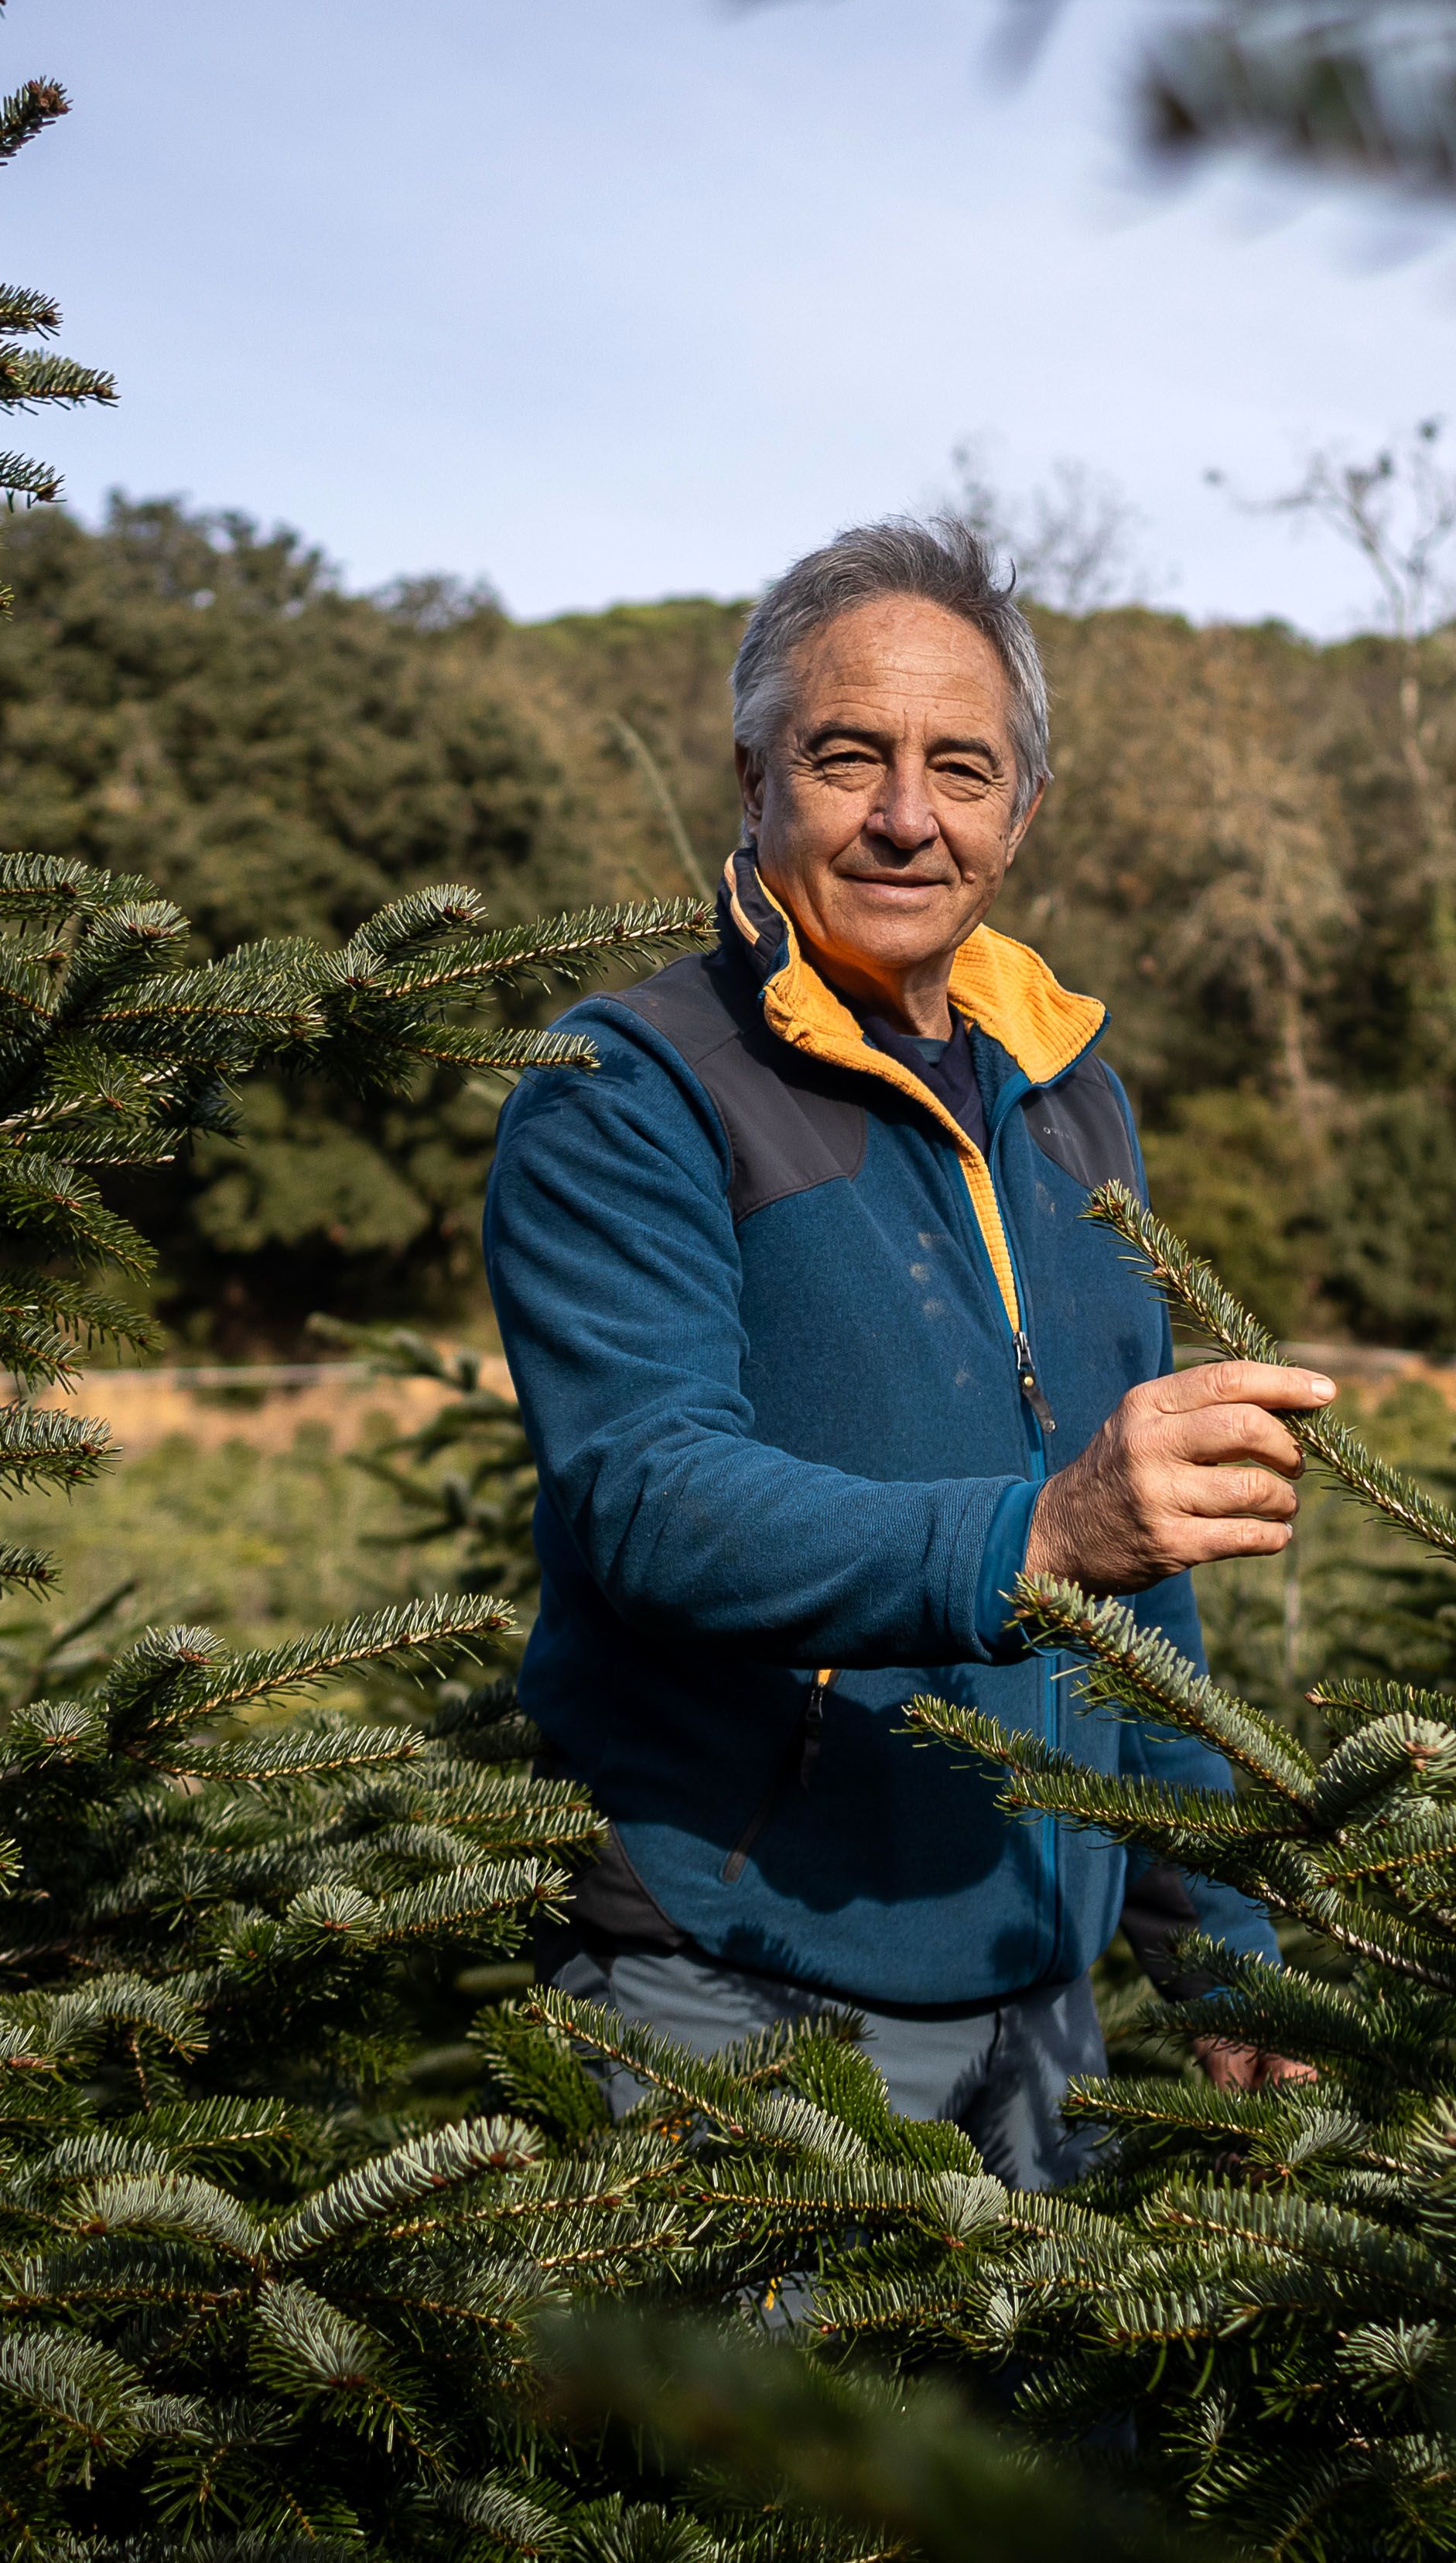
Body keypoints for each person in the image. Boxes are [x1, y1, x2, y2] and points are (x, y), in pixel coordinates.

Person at [483, 515, 1325, 2187]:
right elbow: (652, 1500)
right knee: (748, 2461)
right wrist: (1039, 1530)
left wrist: (1219, 1939)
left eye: (960, 765)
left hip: (1044, 1999)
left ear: (1022, 810)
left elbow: (1135, 1580)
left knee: (1045, 2455)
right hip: (728, 1988)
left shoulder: (1075, 1095)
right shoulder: (628, 1086)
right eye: (846, 754)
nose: (903, 814)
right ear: (752, 779)